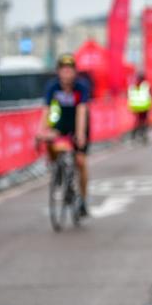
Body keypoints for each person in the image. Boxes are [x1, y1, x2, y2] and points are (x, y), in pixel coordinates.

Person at [38, 54, 91, 217]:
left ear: (75, 72)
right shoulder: (52, 87)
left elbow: (82, 111)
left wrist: (81, 135)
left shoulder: (81, 87)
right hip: (61, 125)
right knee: (50, 142)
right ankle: (58, 168)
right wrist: (41, 131)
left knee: (80, 162)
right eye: (64, 70)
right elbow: (46, 110)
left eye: (70, 70)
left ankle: (82, 199)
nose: (67, 73)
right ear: (58, 72)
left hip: (79, 125)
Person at [128, 72, 152, 143]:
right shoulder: (145, 85)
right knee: (142, 122)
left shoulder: (135, 86)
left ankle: (136, 135)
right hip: (143, 107)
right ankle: (141, 134)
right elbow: (150, 95)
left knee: (139, 121)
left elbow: (131, 96)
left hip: (139, 107)